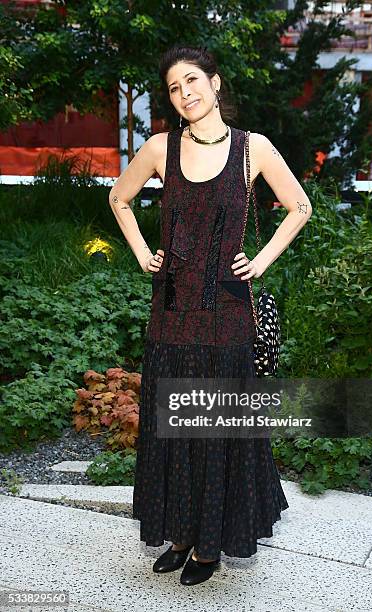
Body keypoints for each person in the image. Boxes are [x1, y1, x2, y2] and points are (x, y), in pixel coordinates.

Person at [109, 45, 312, 586]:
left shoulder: (254, 149)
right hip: (171, 311)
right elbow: (119, 199)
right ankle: (180, 532)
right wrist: (141, 254)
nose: (186, 93)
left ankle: (210, 544)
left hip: (226, 311)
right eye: (175, 88)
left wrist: (261, 261)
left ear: (215, 83)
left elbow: (300, 207)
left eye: (193, 80)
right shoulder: (159, 149)